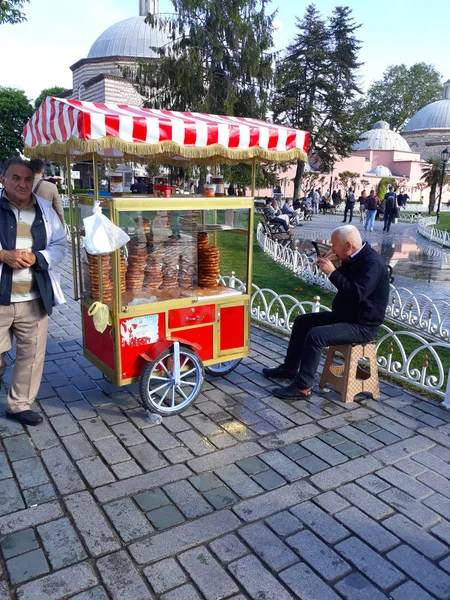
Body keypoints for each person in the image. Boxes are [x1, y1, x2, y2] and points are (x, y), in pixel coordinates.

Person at [262, 225, 389, 399]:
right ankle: (289, 368)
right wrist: (334, 266)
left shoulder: (372, 263)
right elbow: (346, 282)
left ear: (349, 246)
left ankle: (302, 387)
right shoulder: (352, 257)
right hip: (345, 316)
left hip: (363, 325)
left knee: (316, 335)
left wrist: (333, 272)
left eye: (334, 245)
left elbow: (356, 293)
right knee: (302, 322)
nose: (331, 248)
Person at [0, 158, 68, 426]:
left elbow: (61, 243)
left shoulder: (44, 210)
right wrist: (4, 255)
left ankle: (18, 405)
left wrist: (40, 257)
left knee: (32, 354)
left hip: (33, 295)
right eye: (15, 178)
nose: (22, 184)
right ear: (3, 179)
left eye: (28, 179)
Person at [29, 159, 65, 226]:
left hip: (26, 223)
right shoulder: (51, 187)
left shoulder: (22, 186)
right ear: (42, 171)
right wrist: (62, 226)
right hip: (45, 225)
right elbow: (59, 211)